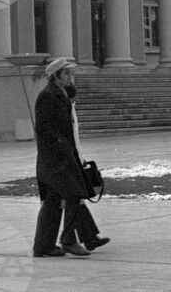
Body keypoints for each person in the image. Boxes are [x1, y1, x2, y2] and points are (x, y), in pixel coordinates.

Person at [32, 57, 91, 257]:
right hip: (55, 160)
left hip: (59, 158)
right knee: (74, 195)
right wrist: (61, 145)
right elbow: (42, 128)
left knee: (53, 201)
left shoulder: (60, 94)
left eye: (71, 74)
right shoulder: (47, 96)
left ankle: (43, 246)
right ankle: (67, 241)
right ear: (56, 76)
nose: (70, 77)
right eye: (67, 74)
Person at [64, 81, 110, 252]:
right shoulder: (64, 109)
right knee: (73, 200)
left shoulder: (69, 108)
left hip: (72, 160)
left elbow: (75, 139)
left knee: (75, 201)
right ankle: (73, 240)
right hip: (66, 162)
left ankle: (87, 238)